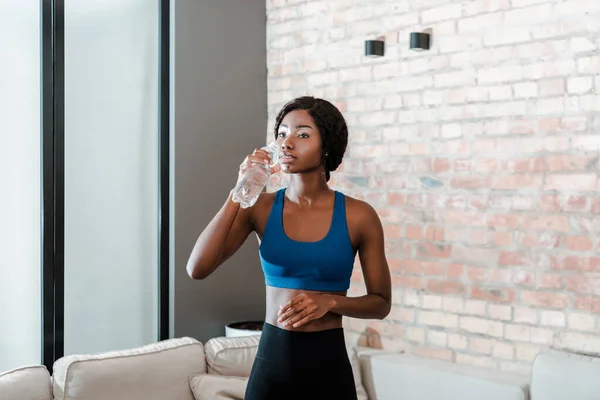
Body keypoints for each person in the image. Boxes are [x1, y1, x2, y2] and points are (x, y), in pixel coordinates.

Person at [186, 96, 392, 399]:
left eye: (303, 134)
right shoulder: (259, 207)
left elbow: (381, 303)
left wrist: (331, 303)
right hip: (272, 368)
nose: (287, 143)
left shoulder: (359, 215)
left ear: (327, 145)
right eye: (281, 133)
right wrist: (241, 187)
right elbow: (197, 268)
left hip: (329, 370)